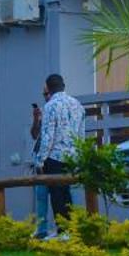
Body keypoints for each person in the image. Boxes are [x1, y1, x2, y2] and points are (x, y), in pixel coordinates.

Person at [34, 73, 86, 231]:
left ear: (49, 88)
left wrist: (40, 160)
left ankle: (63, 229)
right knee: (67, 194)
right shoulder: (78, 105)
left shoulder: (51, 106)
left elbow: (48, 136)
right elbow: (81, 134)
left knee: (56, 195)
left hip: (55, 156)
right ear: (63, 86)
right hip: (72, 156)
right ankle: (71, 229)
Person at [29, 96, 53, 238]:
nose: (45, 96)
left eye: (47, 93)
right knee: (41, 196)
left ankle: (67, 229)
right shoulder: (45, 113)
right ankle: (42, 230)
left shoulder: (55, 113)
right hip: (39, 161)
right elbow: (34, 135)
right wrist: (36, 119)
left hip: (53, 160)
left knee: (61, 195)